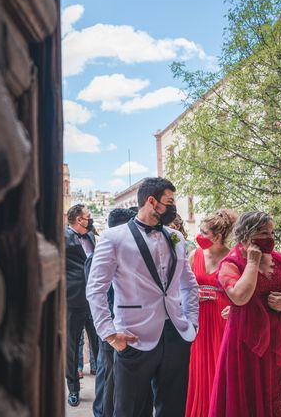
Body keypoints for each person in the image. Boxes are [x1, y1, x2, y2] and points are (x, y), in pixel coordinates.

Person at [87, 177, 199, 417]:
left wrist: (192, 322)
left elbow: (189, 284)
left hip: (177, 335)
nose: (173, 206)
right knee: (131, 410)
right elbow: (95, 289)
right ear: (152, 201)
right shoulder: (113, 237)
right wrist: (109, 333)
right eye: (169, 201)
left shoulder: (176, 238)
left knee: (173, 408)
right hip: (133, 336)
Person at [209, 211, 281, 417]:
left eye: (272, 232)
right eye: (264, 232)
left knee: (280, 395)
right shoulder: (231, 263)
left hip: (279, 341)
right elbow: (239, 297)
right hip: (246, 341)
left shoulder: (279, 260)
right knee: (249, 395)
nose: (270, 238)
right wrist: (252, 263)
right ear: (247, 234)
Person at [86, 207, 138, 417]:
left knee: (111, 377)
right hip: (111, 326)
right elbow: (97, 293)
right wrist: (109, 329)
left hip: (116, 324)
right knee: (107, 378)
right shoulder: (102, 255)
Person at [185, 209, 238, 417]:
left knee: (221, 368)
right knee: (199, 370)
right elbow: (183, 287)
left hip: (223, 318)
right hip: (199, 320)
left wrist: (236, 308)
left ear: (217, 237)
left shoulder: (234, 257)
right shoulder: (194, 255)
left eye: (204, 232)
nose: (200, 235)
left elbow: (244, 290)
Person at [65, 204, 100, 407]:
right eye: (88, 216)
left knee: (101, 347)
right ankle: (73, 390)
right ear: (79, 219)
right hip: (73, 301)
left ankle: (103, 389)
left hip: (94, 301)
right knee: (71, 347)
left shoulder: (92, 237)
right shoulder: (62, 237)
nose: (90, 219)